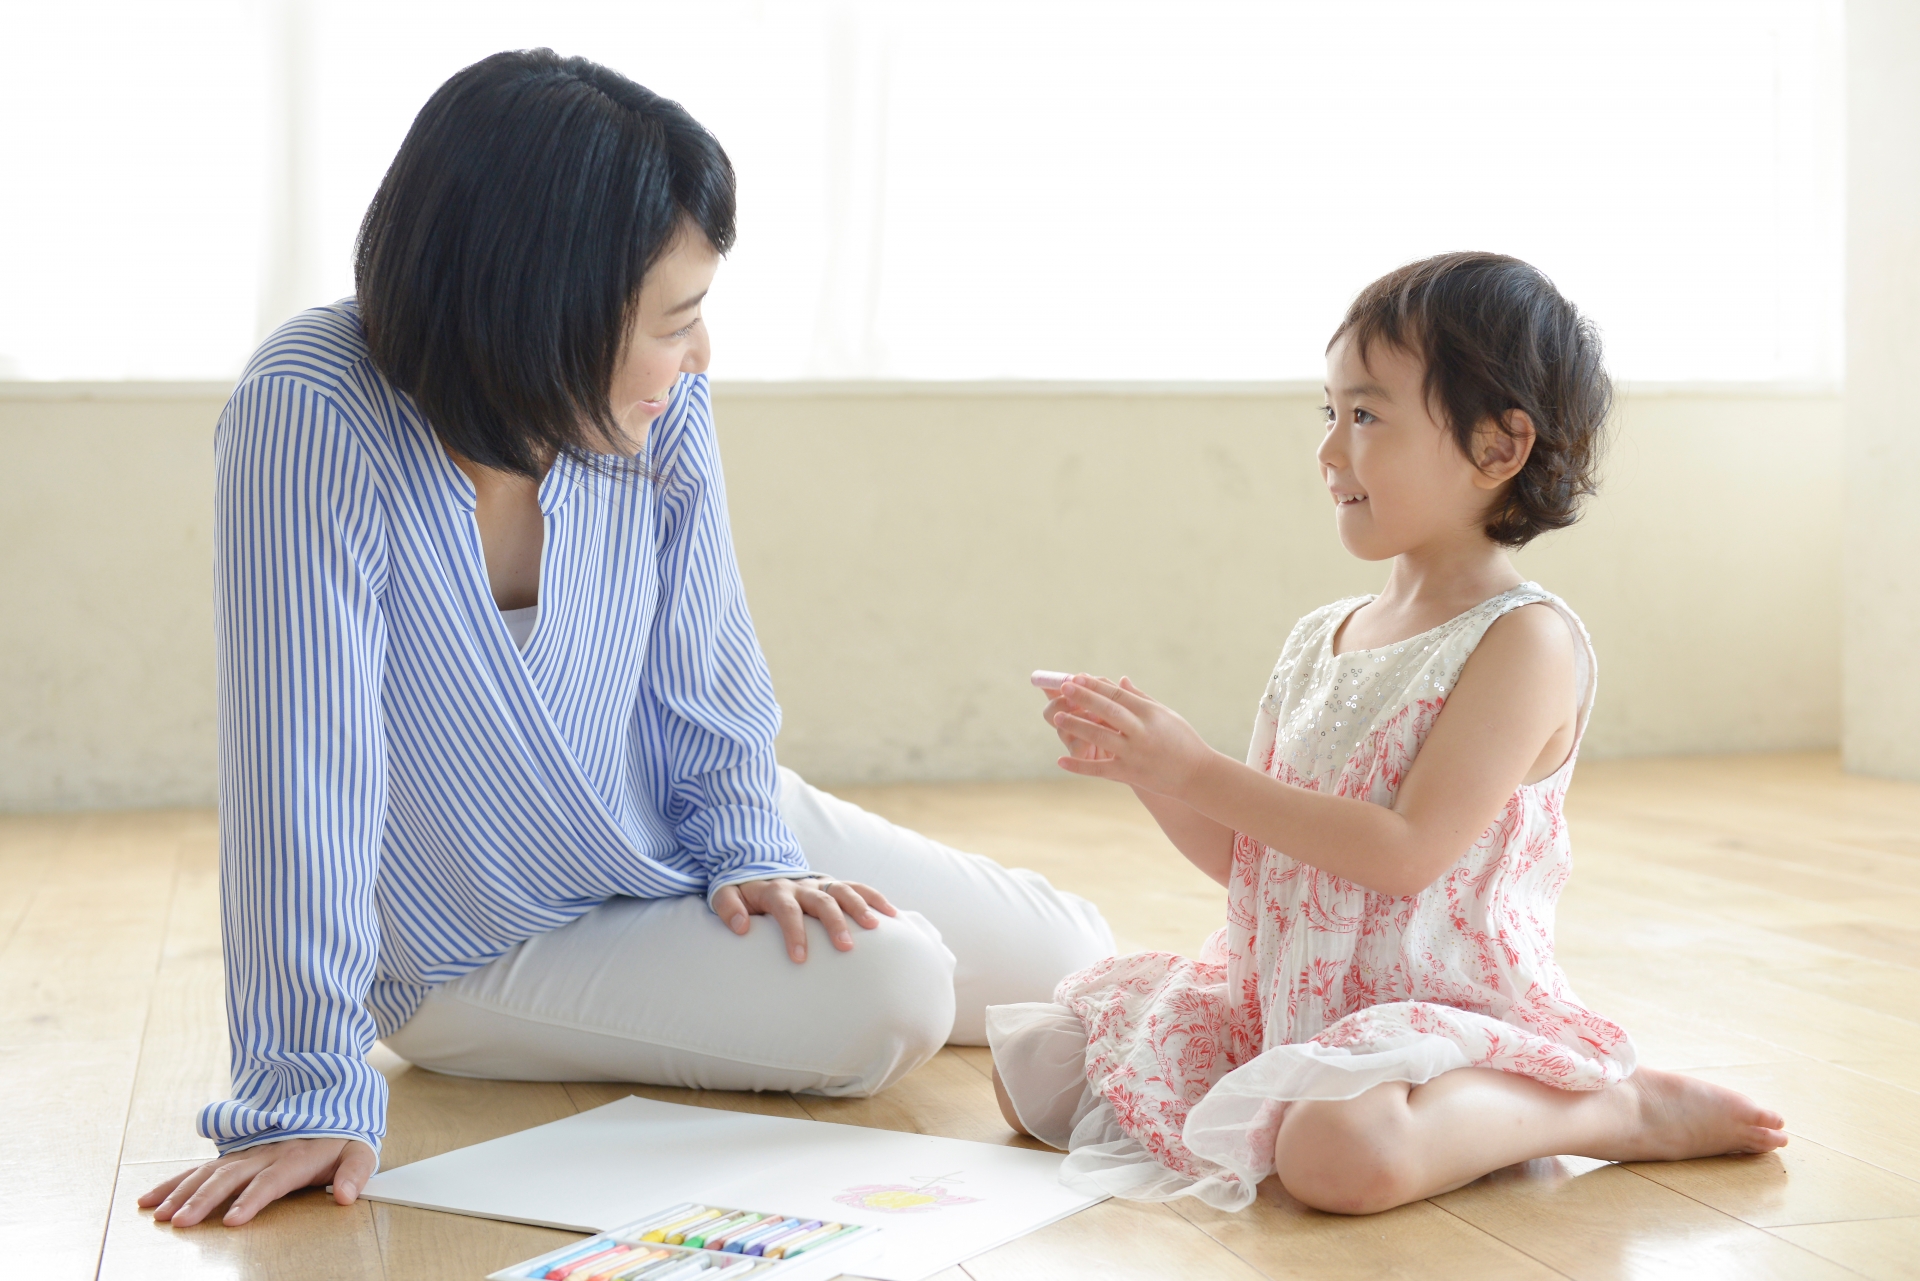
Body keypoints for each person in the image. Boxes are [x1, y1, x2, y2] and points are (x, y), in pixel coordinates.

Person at [141, 49, 1112, 1231]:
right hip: (470, 936)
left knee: (1074, 957)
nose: (699, 357)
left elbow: (704, 668)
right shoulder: (314, 406)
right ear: (544, 307)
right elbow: (303, 770)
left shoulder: (655, 404)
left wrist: (748, 841)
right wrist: (304, 1080)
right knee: (897, 989)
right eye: (678, 321)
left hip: (665, 818)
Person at [985, 252, 1788, 1214]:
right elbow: (1258, 863)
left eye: (1364, 416)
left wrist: (1199, 766)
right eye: (1327, 413)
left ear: (1500, 446)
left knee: (1338, 1155)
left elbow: (1405, 855)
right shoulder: (1318, 636)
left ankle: (1601, 1105)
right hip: (1285, 1003)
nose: (1329, 451)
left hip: (1436, 1014)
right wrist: (1156, 771)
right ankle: (1406, 1098)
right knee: (1033, 1068)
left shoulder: (1522, 640)